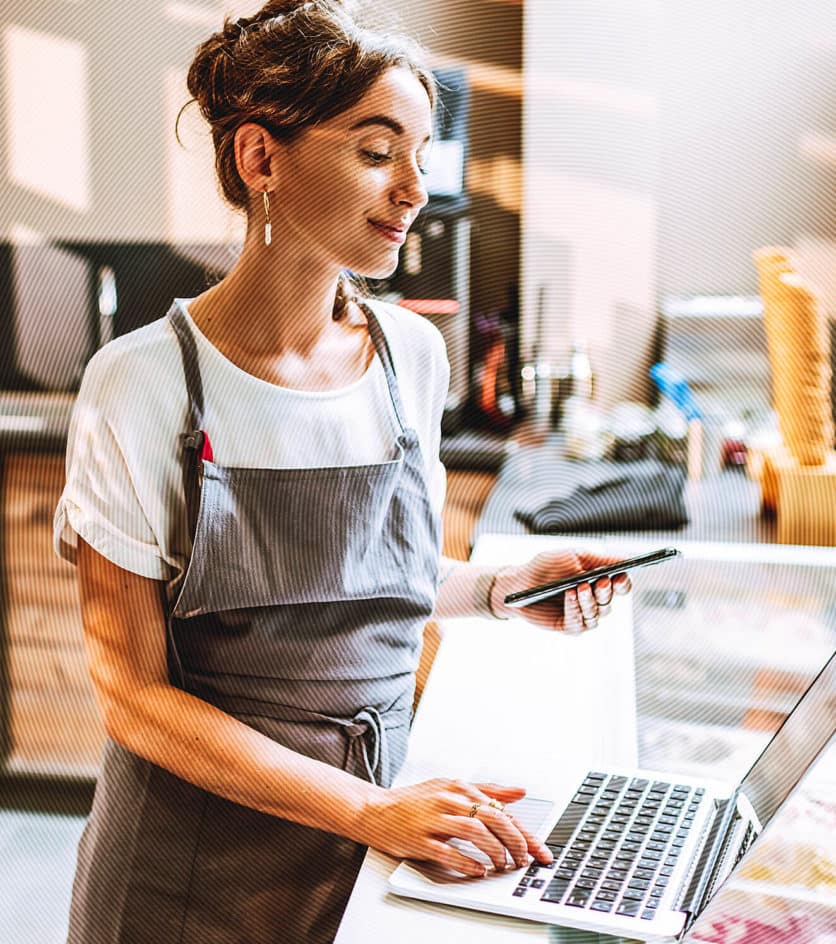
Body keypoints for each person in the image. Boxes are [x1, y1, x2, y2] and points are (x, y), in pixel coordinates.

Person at [54, 1, 631, 941]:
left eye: (420, 152)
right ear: (261, 158)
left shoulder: (413, 356)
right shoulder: (143, 384)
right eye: (376, 150)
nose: (415, 188)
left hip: (366, 841)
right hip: (188, 870)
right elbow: (133, 695)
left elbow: (351, 583)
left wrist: (498, 590)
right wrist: (366, 811)